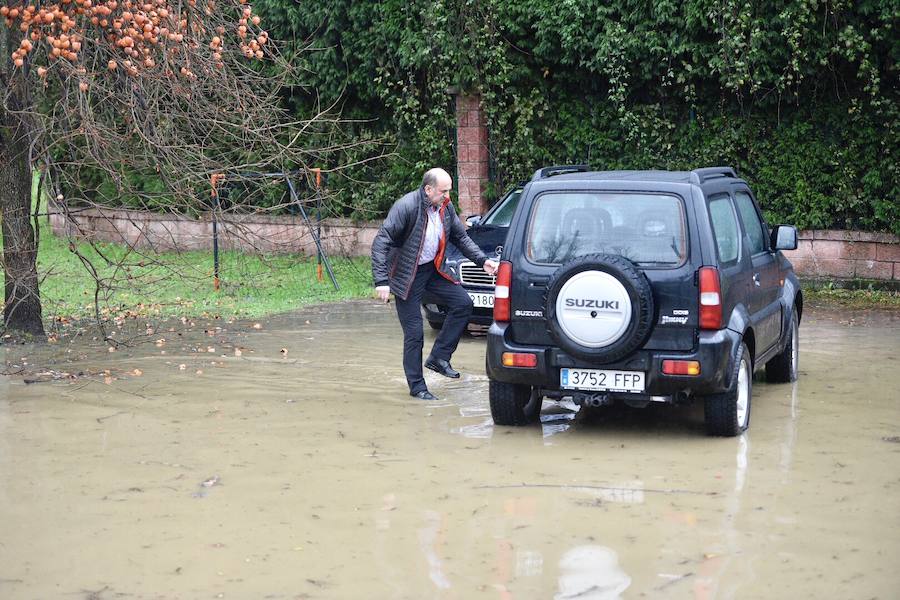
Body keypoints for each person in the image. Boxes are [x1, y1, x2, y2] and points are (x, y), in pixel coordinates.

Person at [372, 168, 499, 400]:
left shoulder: (445, 206)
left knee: (462, 303)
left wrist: (482, 261)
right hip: (406, 276)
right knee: (415, 334)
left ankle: (439, 357)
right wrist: (381, 281)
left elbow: (460, 237)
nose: (447, 195)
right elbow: (382, 241)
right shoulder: (407, 206)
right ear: (428, 189)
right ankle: (417, 386)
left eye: (449, 190)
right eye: (443, 191)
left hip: (432, 270)